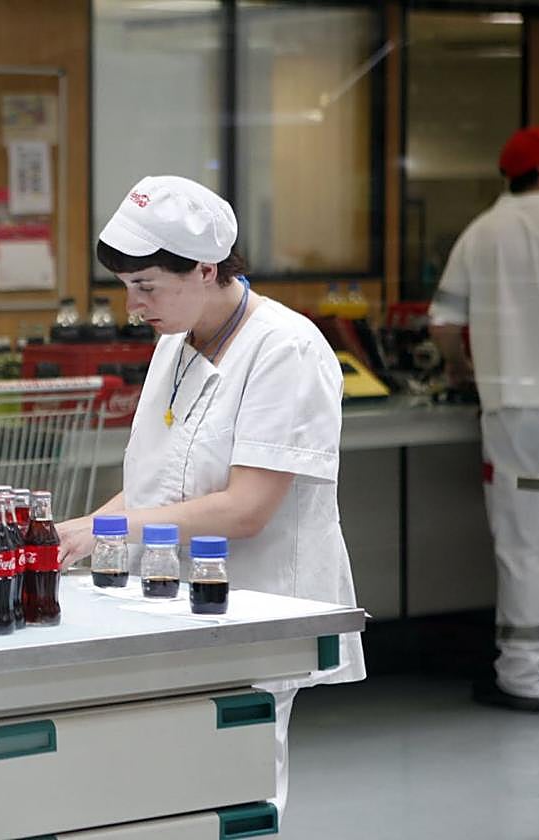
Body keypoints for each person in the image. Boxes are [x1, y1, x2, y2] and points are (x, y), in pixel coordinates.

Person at [59, 175, 365, 818]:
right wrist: (82, 526)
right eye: (127, 287)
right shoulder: (178, 338)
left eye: (147, 287)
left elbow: (245, 509)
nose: (133, 306)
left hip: (254, 607)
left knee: (235, 785)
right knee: (167, 788)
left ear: (205, 269)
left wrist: (112, 533)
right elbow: (164, 483)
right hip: (177, 603)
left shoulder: (286, 348)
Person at [429, 125, 539, 713]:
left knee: (522, 541)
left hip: (512, 407)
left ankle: (522, 678)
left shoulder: (482, 233)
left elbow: (443, 323)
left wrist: (459, 370)